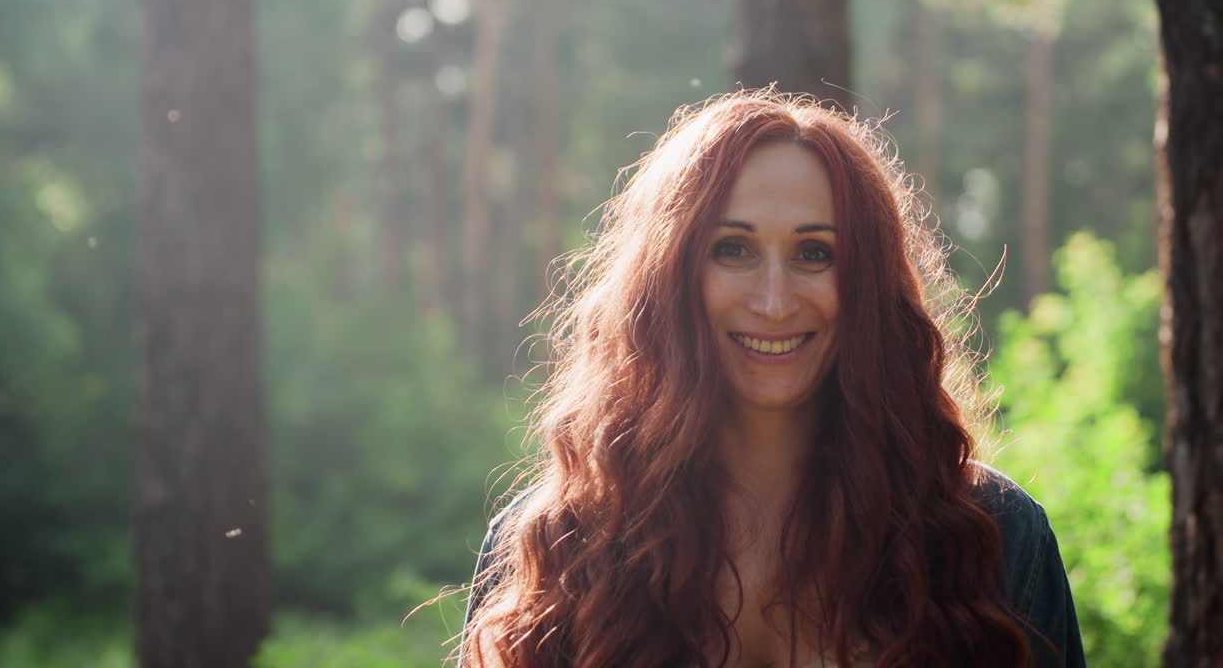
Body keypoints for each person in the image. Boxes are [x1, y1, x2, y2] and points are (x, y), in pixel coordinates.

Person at [458, 91, 1085, 668]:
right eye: (733, 249)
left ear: (866, 285)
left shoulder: (996, 536)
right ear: (670, 276)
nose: (775, 300)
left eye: (816, 253)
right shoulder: (556, 543)